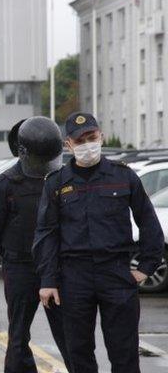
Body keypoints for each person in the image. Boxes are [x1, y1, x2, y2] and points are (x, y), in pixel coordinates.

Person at [33, 112, 165, 373]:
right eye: (79, 140)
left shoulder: (123, 176)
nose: (87, 144)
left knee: (124, 351)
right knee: (78, 351)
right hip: (74, 276)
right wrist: (48, 280)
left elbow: (149, 222)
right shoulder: (57, 183)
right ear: (68, 145)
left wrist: (146, 267)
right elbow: (46, 233)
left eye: (91, 137)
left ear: (101, 136)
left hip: (115, 273)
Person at [0, 117, 71, 373]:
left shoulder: (63, 178)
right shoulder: (4, 184)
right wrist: (15, 255)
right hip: (20, 267)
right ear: (23, 152)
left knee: (69, 335)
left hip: (56, 269)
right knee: (18, 335)